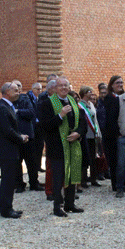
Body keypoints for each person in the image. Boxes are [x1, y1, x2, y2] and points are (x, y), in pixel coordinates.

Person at [40, 77, 85, 216]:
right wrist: (60, 115)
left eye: (66, 85)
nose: (64, 88)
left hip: (73, 146)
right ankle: (57, 207)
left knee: (72, 175)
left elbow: (83, 122)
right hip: (57, 148)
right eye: (61, 86)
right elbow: (45, 126)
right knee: (58, 178)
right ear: (54, 88)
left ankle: (70, 204)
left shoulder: (73, 101)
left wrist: (78, 133)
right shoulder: (47, 103)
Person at [0, 83, 29, 218]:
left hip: (10, 148)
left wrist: (20, 135)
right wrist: (20, 138)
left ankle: (8, 206)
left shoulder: (7, 106)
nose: (18, 92)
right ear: (7, 91)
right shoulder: (2, 108)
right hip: (6, 149)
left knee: (9, 179)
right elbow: (7, 130)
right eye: (15, 90)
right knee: (8, 180)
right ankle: (6, 209)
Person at [11, 80, 38, 192]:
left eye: (19, 87)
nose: (17, 90)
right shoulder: (8, 101)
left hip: (28, 135)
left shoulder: (25, 99)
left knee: (31, 162)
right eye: (15, 87)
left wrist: (17, 111)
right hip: (15, 136)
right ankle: (19, 184)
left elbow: (31, 113)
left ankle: (34, 183)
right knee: (17, 163)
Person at [101, 76, 124, 191]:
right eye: (117, 83)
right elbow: (110, 118)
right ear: (112, 85)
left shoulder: (124, 97)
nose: (120, 84)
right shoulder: (109, 99)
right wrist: (116, 132)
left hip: (124, 134)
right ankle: (116, 184)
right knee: (114, 161)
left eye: (121, 82)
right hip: (112, 135)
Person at [78, 86, 102, 187]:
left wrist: (98, 132)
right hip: (85, 135)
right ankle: (83, 180)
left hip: (93, 134)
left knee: (93, 157)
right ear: (84, 93)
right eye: (89, 92)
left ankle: (93, 179)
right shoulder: (79, 105)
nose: (91, 93)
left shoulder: (91, 104)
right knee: (84, 158)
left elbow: (95, 119)